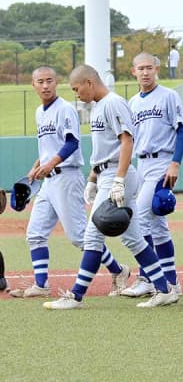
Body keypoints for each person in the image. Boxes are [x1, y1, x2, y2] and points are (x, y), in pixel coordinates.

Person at [44, 65, 179, 309]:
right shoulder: (98, 106)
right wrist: (93, 178)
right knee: (133, 238)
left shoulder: (112, 103)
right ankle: (164, 289)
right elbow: (102, 150)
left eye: (77, 89)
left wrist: (118, 179)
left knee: (93, 235)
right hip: (107, 173)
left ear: (89, 82)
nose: (77, 94)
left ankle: (75, 296)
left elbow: (126, 141)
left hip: (118, 174)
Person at [10, 66, 129, 299]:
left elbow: (71, 143)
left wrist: (50, 163)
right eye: (40, 81)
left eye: (49, 81)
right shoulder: (39, 112)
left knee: (79, 237)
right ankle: (41, 285)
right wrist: (37, 166)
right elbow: (48, 146)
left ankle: (118, 270)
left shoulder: (65, 109)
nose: (45, 85)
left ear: (56, 83)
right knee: (35, 234)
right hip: (48, 181)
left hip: (66, 176)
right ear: (33, 85)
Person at [119, 53, 183, 298]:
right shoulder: (133, 102)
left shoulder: (169, 96)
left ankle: (147, 278)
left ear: (157, 69)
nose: (145, 72)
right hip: (142, 163)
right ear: (133, 71)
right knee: (158, 227)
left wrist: (176, 163)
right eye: (141, 68)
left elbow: (182, 130)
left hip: (162, 161)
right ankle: (171, 282)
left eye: (149, 67)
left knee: (141, 218)